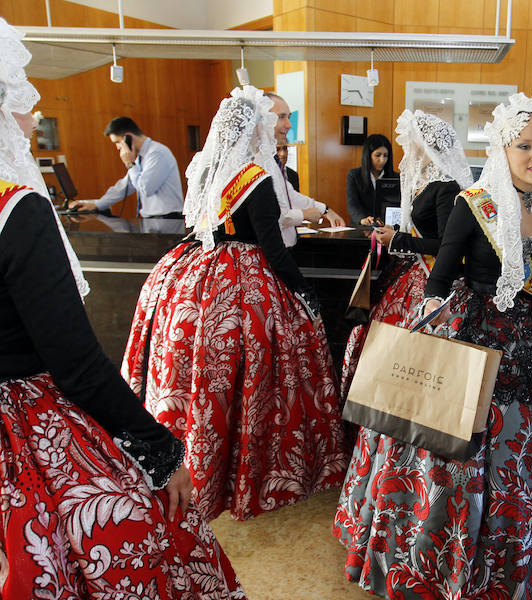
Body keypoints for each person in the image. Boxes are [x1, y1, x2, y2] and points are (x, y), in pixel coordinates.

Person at [0, 17, 245, 597]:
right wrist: (162, 451)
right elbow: (77, 363)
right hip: (23, 411)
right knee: (151, 532)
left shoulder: (155, 154)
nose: (33, 119)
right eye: (22, 101)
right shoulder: (17, 209)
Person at [334, 86, 532, 599]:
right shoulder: (474, 203)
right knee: (455, 446)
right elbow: (440, 276)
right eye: (525, 146)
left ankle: (525, 557)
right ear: (503, 150)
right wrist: (426, 330)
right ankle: (440, 562)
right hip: (474, 332)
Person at [120, 86, 348, 522]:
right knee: (256, 378)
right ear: (257, 128)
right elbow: (274, 251)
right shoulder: (256, 176)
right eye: (273, 122)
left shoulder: (208, 169)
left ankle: (190, 466)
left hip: (191, 275)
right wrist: (304, 295)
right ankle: (249, 473)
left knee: (199, 383)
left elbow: (199, 225)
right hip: (244, 284)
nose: (278, 131)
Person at [338, 110, 473, 399]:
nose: (407, 149)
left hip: (431, 279)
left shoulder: (446, 187)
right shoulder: (427, 182)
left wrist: (399, 239)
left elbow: (446, 245)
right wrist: (396, 231)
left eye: (412, 142)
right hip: (410, 274)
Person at [265, 92, 346, 247]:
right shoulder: (256, 163)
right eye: (281, 117)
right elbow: (270, 216)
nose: (289, 124)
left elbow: (289, 195)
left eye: (288, 117)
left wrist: (325, 210)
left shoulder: (271, 159)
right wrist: (304, 214)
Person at [70, 116, 185, 218]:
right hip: (154, 221)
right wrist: (96, 205)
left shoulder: (156, 153)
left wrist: (130, 164)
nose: (118, 148)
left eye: (117, 142)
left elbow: (146, 189)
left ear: (128, 137)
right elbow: (124, 186)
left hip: (167, 220)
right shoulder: (141, 156)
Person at [345, 133, 398, 226]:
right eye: (377, 155)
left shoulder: (396, 177)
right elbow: (352, 204)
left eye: (385, 155)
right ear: (368, 156)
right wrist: (362, 219)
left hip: (386, 227)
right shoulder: (354, 175)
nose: (382, 160)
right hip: (361, 227)